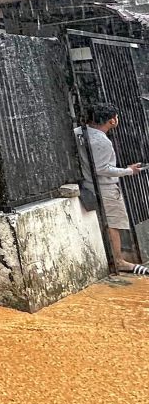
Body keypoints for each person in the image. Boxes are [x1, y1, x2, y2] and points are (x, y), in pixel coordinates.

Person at [76, 103, 149, 276]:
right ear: (112, 120)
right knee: (114, 223)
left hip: (88, 184)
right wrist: (128, 171)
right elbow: (102, 169)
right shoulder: (101, 140)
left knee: (107, 223)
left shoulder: (79, 132)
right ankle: (119, 261)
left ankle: (115, 258)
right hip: (105, 188)